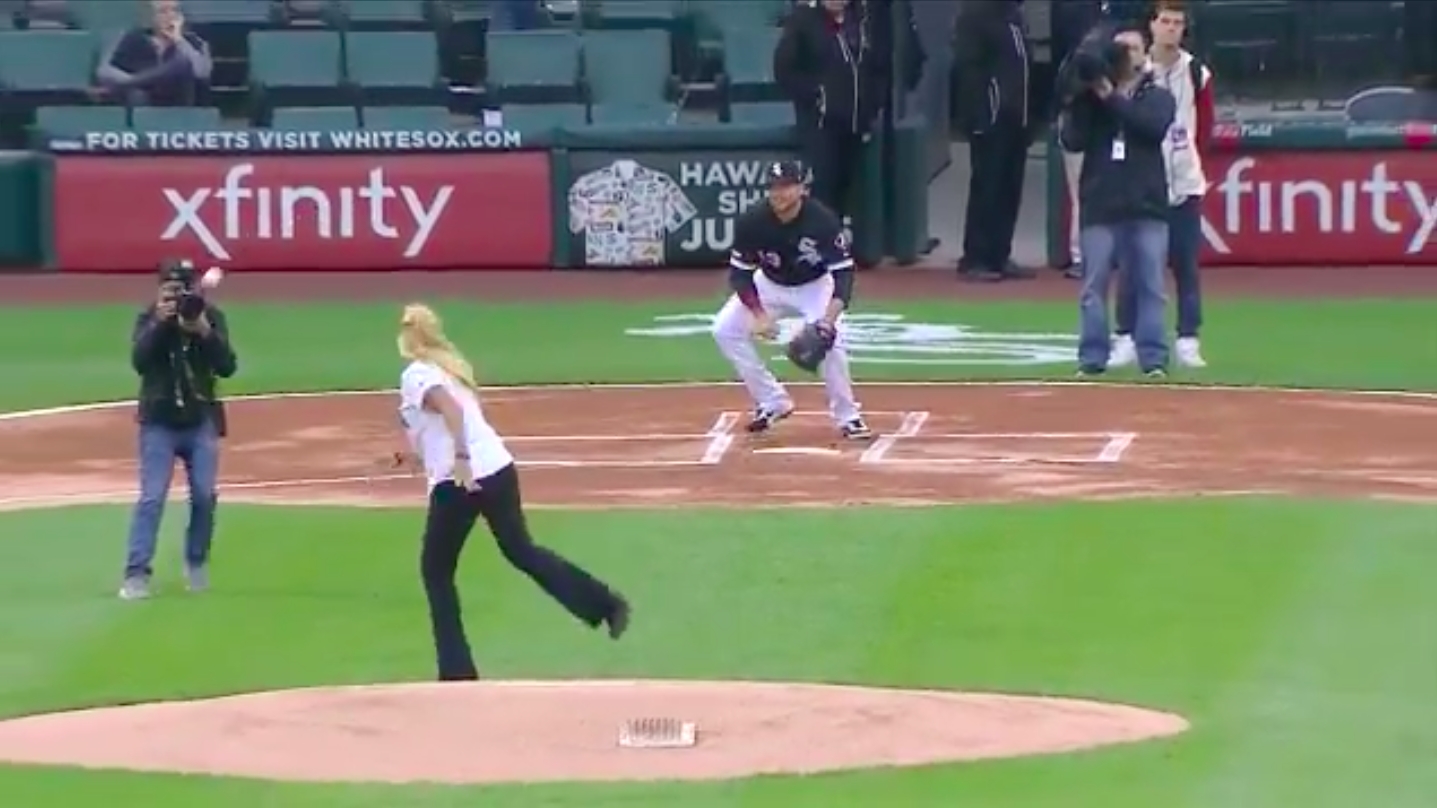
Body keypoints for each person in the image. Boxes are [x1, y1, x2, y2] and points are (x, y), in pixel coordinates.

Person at [395, 304, 631, 681]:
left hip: (461, 480)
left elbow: (453, 414)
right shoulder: (450, 367)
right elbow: (448, 421)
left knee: (436, 571)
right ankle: (606, 605)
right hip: (499, 470)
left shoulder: (417, 373)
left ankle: (456, 672)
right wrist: (415, 455)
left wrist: (459, 459)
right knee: (521, 550)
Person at [711, 159, 871, 441]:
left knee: (830, 341)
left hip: (815, 285)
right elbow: (740, 274)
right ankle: (772, 401)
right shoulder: (753, 221)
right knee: (725, 329)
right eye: (773, 187)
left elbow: (844, 274)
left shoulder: (822, 221)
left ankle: (849, 416)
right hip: (770, 283)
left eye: (786, 186)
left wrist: (827, 320)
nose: (779, 193)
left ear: (801, 189)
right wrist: (759, 314)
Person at [1061, 27, 1176, 377]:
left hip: (1146, 206)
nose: (1127, 54)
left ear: (1144, 56)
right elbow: (1072, 140)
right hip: (1101, 204)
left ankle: (1153, 359)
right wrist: (1082, 97)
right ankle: (1092, 359)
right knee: (1093, 287)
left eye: (1134, 48)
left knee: (1151, 287)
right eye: (1121, 48)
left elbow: (1151, 127)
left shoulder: (1157, 96)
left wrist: (1112, 97)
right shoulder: (1092, 101)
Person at [121, 259, 237, 600]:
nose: (177, 295)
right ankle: (136, 572)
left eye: (183, 287)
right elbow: (140, 362)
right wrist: (160, 322)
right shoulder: (148, 318)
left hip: (200, 419)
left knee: (204, 495)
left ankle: (196, 562)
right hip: (158, 421)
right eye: (171, 288)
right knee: (152, 498)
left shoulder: (209, 316)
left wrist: (202, 330)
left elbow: (227, 366)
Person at [1111, 0, 1213, 369]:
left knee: (1185, 265)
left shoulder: (1196, 72)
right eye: (1165, 21)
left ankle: (1188, 338)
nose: (1171, 28)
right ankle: (1125, 335)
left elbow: (1206, 124)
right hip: (1143, 183)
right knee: (1133, 265)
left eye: (1177, 23)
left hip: (1184, 182)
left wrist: (1195, 165)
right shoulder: (1138, 69)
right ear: (1151, 26)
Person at [773, 0, 888, 234]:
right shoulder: (803, 22)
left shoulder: (862, 21)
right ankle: (817, 246)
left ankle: (845, 246)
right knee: (824, 188)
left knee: (851, 189)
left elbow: (877, 67)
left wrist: (873, 104)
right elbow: (784, 70)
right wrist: (817, 95)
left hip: (856, 122)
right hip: (821, 125)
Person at [953, 0, 1037, 282]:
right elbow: (968, 71)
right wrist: (980, 115)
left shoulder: (1015, 17)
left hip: (1017, 119)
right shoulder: (976, 15)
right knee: (987, 187)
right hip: (990, 119)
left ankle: (1000, 254)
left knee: (1009, 188)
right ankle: (976, 256)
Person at [1052, 0, 1110, 279]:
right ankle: (1080, 256)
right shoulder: (1077, 59)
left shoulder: (1106, 33)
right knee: (1083, 195)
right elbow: (1067, 91)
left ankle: (1092, 255)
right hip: (1079, 130)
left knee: (1095, 194)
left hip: (1096, 129)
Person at [94, 0, 212, 107]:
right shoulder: (133, 38)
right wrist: (131, 80)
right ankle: (134, 82)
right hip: (142, 103)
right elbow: (104, 72)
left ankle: (132, 82)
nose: (170, 16)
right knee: (137, 93)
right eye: (163, 12)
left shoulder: (194, 42)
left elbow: (201, 72)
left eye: (175, 10)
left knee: (181, 64)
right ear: (151, 17)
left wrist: (178, 40)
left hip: (178, 103)